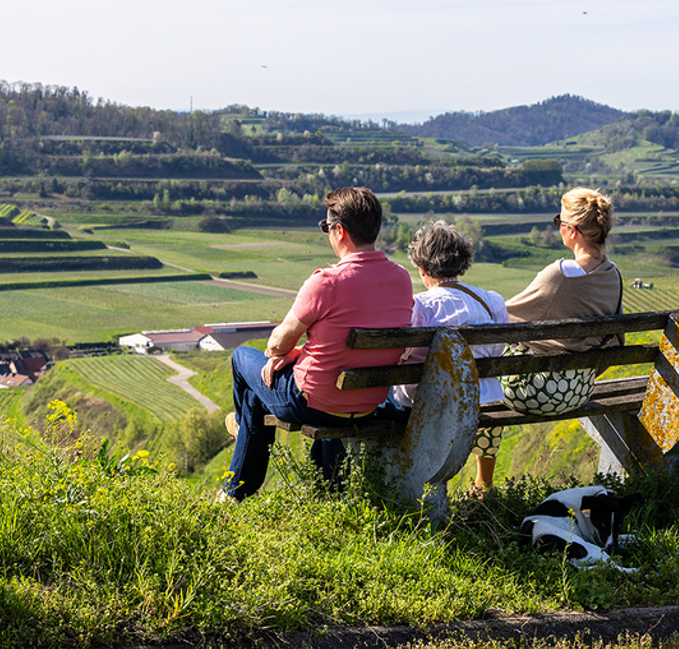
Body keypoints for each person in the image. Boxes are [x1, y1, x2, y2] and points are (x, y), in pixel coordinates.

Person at [219, 187, 414, 502]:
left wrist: (288, 354)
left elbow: (275, 346)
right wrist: (299, 354)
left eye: (326, 228)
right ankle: (244, 492)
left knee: (243, 357)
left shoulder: (326, 282)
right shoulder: (402, 279)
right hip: (366, 404)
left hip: (313, 403)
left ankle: (241, 432)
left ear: (339, 231)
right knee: (257, 401)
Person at [380, 221, 510, 490]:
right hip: (486, 401)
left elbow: (402, 354)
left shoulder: (421, 306)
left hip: (432, 405)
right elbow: (497, 350)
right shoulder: (491, 301)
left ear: (423, 268)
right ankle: (483, 486)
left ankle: (398, 485)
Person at [502, 188, 623, 414]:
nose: (559, 227)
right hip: (580, 390)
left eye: (560, 221)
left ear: (573, 231)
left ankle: (481, 445)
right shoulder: (612, 275)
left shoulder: (560, 275)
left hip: (540, 392)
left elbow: (504, 316)